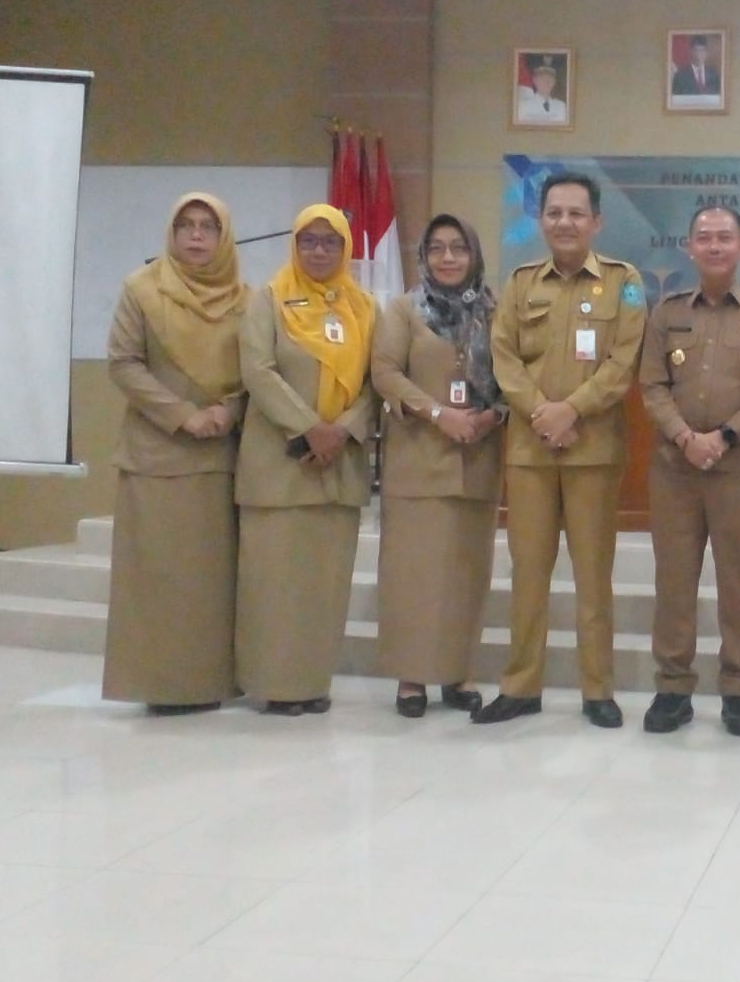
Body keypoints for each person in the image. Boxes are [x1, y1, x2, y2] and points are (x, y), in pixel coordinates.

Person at [479, 172, 646, 728]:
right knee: (528, 574)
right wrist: (543, 414)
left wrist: (571, 410)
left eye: (576, 213)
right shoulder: (520, 283)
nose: (565, 223)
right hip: (530, 451)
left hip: (592, 451)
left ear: (596, 221)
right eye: (554, 213)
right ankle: (520, 686)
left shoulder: (623, 282)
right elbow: (504, 358)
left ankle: (598, 689)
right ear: (540, 220)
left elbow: (623, 362)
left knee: (593, 576)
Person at [639, 205, 740, 736]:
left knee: (739, 580)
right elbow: (652, 386)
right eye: (704, 237)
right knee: (673, 579)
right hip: (674, 468)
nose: (715, 246)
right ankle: (672, 688)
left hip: (739, 468)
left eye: (725, 237)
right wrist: (686, 438)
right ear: (689, 248)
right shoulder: (666, 312)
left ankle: (739, 689)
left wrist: (724, 436)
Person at [102, 192, 248, 714]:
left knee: (209, 587)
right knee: (160, 582)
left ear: (223, 236)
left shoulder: (246, 299)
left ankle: (210, 683)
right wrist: (184, 415)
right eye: (186, 225)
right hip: (157, 458)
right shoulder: (142, 289)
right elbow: (124, 363)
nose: (196, 236)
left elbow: (259, 369)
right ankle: (162, 686)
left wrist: (229, 411)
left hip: (219, 460)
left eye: (208, 226)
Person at [234, 204, 377, 715]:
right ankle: (275, 685)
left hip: (338, 467)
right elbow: (258, 370)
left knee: (324, 586)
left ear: (345, 248)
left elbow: (375, 381)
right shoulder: (268, 299)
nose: (319, 251)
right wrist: (309, 428)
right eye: (308, 241)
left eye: (330, 241)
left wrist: (344, 430)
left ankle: (313, 682)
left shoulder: (363, 307)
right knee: (276, 585)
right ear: (294, 245)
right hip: (281, 465)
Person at [370, 214, 506, 719]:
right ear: (424, 256)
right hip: (418, 460)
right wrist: (437, 414)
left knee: (466, 576)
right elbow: (385, 372)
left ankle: (458, 673)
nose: (448, 258)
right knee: (412, 576)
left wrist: (493, 415)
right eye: (437, 248)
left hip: (477, 460)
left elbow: (513, 375)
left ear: (474, 255)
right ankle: (411, 678)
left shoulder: (495, 311)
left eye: (458, 248)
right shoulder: (404, 310)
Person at [515, 56, 568, 125]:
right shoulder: (522, 106)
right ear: (534, 80)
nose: (546, 82)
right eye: (542, 78)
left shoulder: (561, 106)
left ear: (554, 82)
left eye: (550, 78)